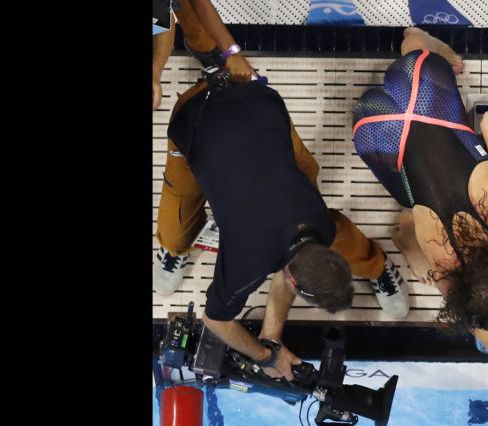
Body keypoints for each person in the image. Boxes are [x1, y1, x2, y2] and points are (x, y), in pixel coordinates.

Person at [155, 58, 410, 380]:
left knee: (315, 192)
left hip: (262, 103)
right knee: (177, 230)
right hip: (195, 116)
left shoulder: (319, 223)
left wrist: (273, 336)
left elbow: (292, 268)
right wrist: (265, 356)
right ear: (291, 278)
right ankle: (172, 250)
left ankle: (375, 265)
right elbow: (215, 319)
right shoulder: (247, 260)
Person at [354, 27, 488, 381]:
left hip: (420, 93)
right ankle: (406, 234)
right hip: (371, 127)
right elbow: (473, 317)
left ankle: (424, 42)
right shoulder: (445, 261)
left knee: (417, 49)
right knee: (411, 193)